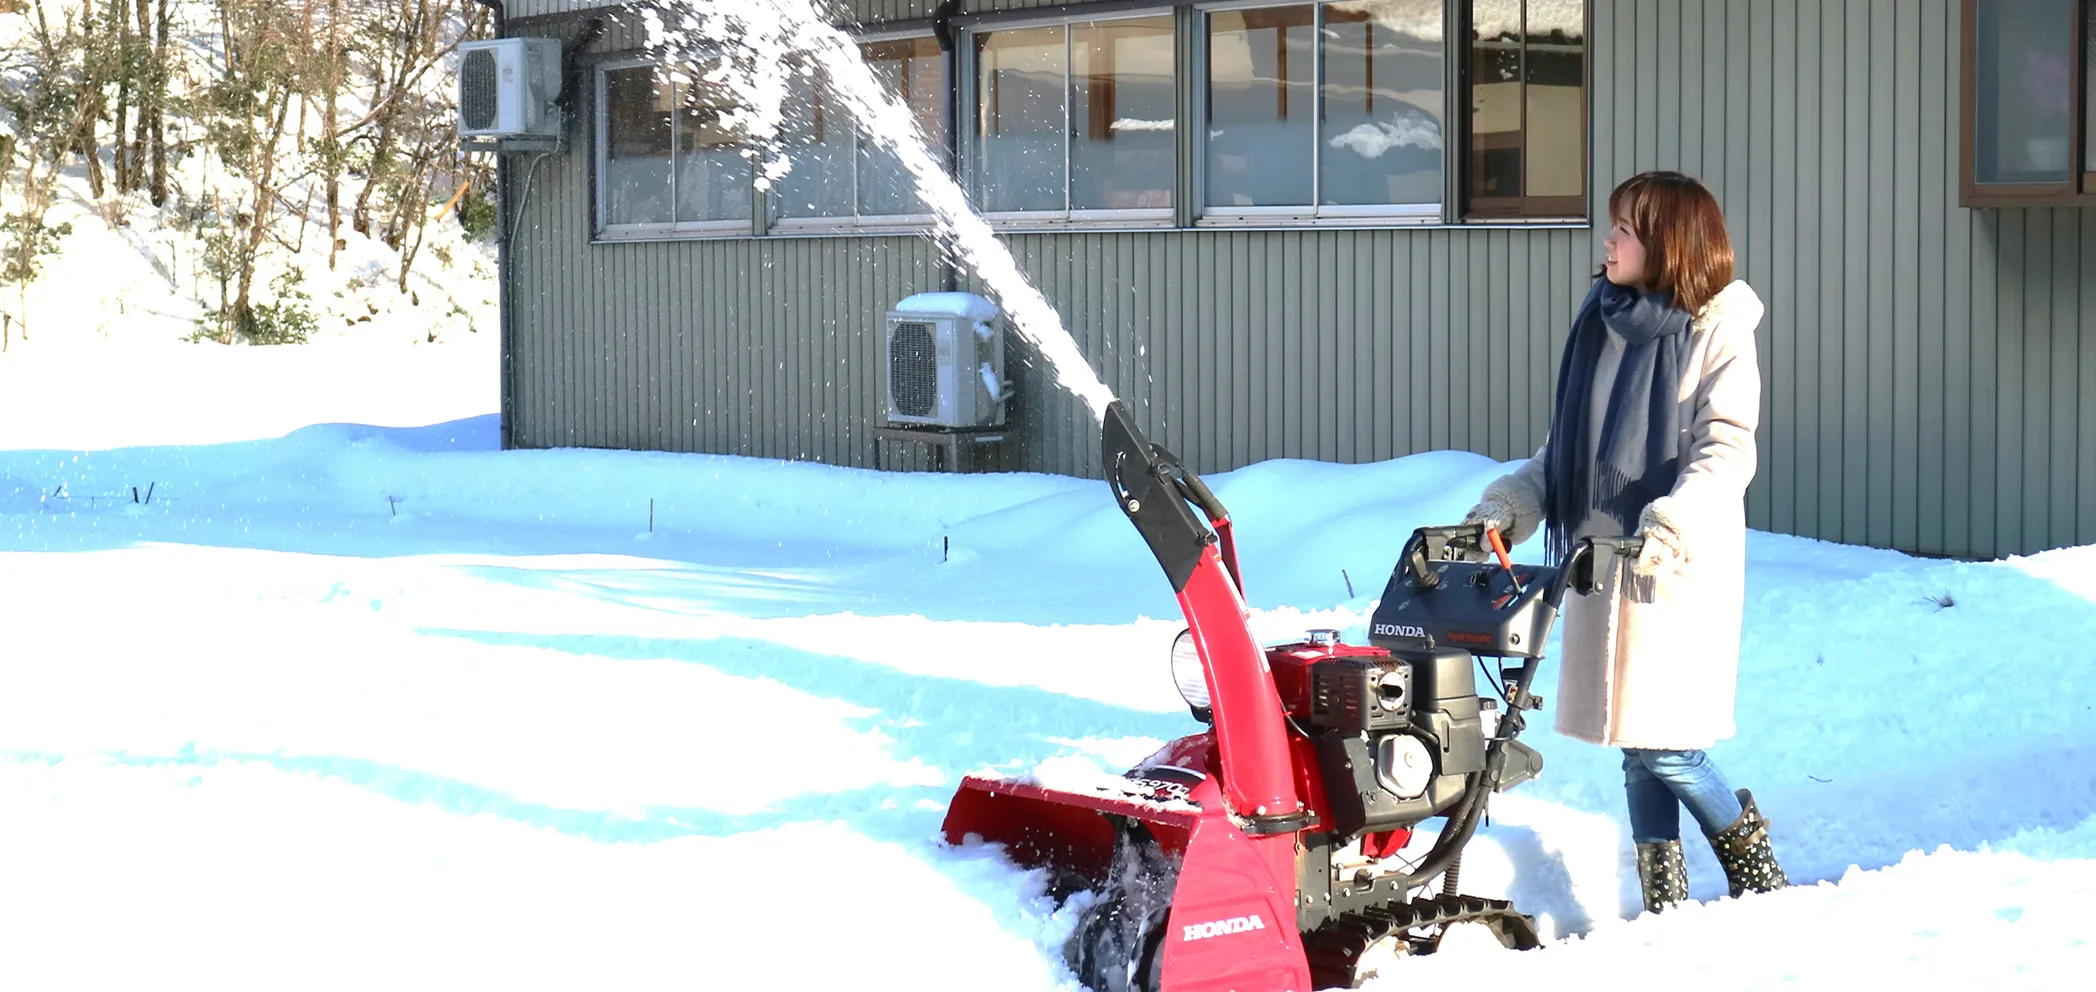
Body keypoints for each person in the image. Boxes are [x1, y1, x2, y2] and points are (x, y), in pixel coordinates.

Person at [1463, 171, 1788, 915]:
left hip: (1673, 563)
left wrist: (1671, 523)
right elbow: (1565, 452)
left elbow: (1727, 449)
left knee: (1666, 742)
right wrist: (1509, 506)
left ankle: (1755, 866)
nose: (1608, 241)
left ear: (1668, 244)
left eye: (1626, 230)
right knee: (1637, 743)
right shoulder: (1601, 320)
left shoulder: (1716, 329)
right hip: (1600, 561)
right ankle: (1664, 903)